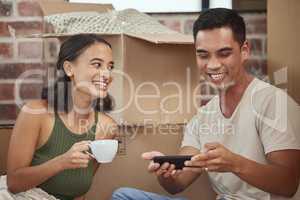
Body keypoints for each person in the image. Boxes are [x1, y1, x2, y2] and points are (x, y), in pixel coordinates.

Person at [111, 8, 300, 200]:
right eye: (203, 55)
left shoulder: (273, 102)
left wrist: (234, 163)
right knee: (123, 196)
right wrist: (166, 173)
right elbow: (178, 184)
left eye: (224, 53)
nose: (212, 65)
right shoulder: (202, 117)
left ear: (244, 51)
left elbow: (288, 184)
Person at [0, 34, 117, 200]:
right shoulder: (36, 113)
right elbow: (14, 183)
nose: (106, 74)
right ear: (69, 69)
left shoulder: (107, 127)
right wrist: (61, 162)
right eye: (97, 64)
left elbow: (79, 192)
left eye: (110, 67)